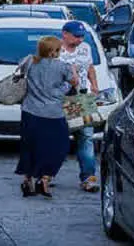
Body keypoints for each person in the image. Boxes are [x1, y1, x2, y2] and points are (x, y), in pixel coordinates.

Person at [15, 36, 78, 198]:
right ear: (53, 52)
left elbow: (19, 71)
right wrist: (63, 87)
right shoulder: (62, 66)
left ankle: (27, 179)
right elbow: (74, 82)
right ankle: (44, 178)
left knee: (30, 146)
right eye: (59, 49)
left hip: (30, 111)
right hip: (53, 113)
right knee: (59, 146)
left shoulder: (29, 61)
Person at [59, 21, 100, 192]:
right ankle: (46, 173)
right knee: (57, 138)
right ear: (65, 34)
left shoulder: (85, 48)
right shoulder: (55, 50)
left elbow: (90, 67)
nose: (79, 39)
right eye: (76, 36)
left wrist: (94, 85)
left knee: (86, 136)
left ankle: (88, 177)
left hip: (81, 97)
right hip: (61, 98)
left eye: (82, 36)